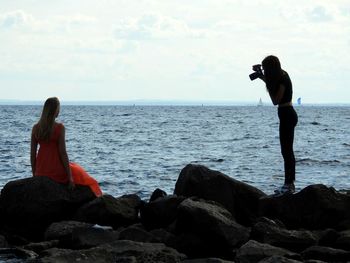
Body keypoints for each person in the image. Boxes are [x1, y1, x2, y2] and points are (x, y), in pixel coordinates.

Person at [30, 97, 102, 197]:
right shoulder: (59, 128)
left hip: (40, 171)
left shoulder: (36, 128)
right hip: (56, 172)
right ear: (55, 110)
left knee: (74, 166)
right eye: (58, 108)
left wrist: (35, 174)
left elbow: (32, 155)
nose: (59, 111)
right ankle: (99, 196)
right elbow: (63, 153)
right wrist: (70, 178)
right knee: (81, 174)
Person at [255, 55, 298, 194]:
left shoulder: (283, 79)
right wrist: (262, 77)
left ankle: (289, 184)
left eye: (265, 69)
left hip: (287, 114)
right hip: (286, 114)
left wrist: (266, 82)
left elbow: (275, 100)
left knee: (287, 151)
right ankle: (289, 183)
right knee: (286, 151)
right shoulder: (281, 75)